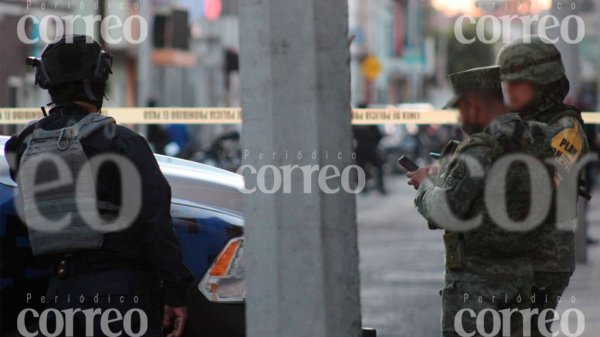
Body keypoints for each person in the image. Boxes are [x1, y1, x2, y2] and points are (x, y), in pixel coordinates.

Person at [4, 35, 193, 337]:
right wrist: (175, 293)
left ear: (48, 83)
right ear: (100, 82)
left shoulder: (23, 146)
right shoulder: (122, 143)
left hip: (59, 298)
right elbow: (156, 225)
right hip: (120, 298)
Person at [408, 66, 554, 336]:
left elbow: (443, 211)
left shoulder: (479, 150)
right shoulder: (538, 138)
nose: (460, 118)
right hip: (526, 282)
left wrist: (424, 186)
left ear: (473, 105)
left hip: (477, 291)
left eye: (460, 110)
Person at [496, 36, 591, 335]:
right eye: (506, 82)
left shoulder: (566, 129)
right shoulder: (518, 122)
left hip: (542, 262)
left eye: (519, 82)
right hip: (516, 257)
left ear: (544, 84)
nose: (509, 89)